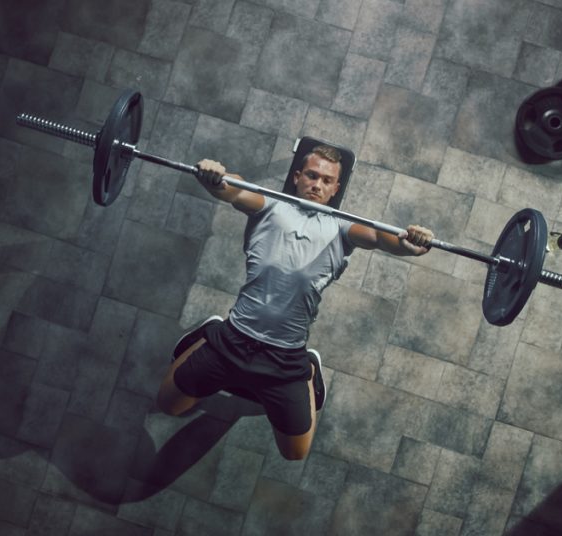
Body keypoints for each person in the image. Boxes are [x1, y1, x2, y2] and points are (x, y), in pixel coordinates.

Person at [156, 145, 435, 460]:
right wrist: (215, 177)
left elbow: (380, 236)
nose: (318, 184)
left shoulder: (341, 227)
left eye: (327, 181)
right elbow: (235, 190)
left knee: (294, 453)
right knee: (169, 406)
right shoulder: (271, 204)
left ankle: (310, 371)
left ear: (336, 189)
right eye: (312, 175)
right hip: (233, 339)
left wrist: (407, 242)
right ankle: (207, 333)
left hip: (284, 359)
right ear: (297, 176)